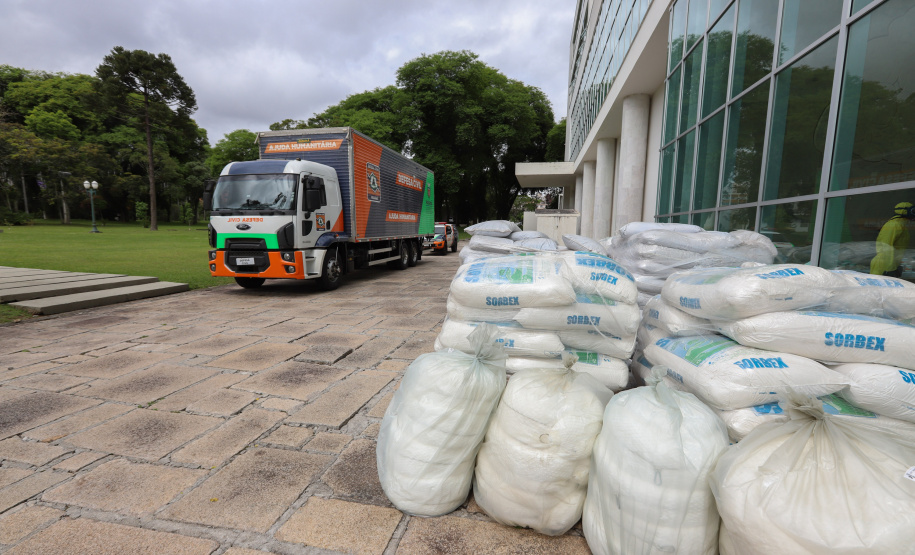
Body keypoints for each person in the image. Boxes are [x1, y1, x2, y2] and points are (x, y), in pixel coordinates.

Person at [870, 201, 915, 277]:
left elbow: (898, 249)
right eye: (913, 211)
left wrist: (896, 266)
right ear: (904, 211)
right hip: (883, 267)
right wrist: (889, 269)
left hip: (890, 265)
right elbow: (886, 246)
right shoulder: (893, 225)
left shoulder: (902, 226)